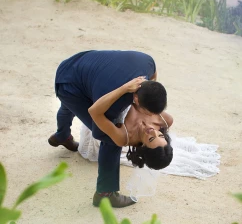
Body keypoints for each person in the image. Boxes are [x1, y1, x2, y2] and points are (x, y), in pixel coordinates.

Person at [48, 50, 172, 207]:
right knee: (110, 140)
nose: (153, 131)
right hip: (68, 83)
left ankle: (62, 135)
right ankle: (105, 194)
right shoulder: (114, 108)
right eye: (159, 136)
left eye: (152, 138)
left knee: (73, 104)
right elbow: (94, 113)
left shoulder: (148, 63)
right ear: (136, 99)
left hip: (75, 63)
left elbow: (153, 77)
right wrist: (124, 88)